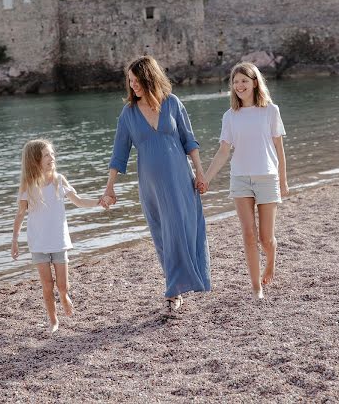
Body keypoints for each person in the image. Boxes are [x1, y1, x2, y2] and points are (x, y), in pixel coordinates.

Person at [103, 55, 211, 316]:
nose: (133, 85)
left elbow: (189, 141)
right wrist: (110, 187)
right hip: (151, 185)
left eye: (137, 80)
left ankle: (186, 282)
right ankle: (173, 291)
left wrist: (200, 173)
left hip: (180, 180)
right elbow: (119, 154)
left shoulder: (172, 103)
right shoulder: (128, 114)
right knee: (164, 236)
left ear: (149, 78)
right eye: (130, 81)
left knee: (185, 230)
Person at [201, 62, 288, 299]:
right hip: (240, 179)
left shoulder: (270, 110)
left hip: (267, 177)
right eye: (236, 82)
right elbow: (223, 151)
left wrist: (283, 181)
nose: (239, 86)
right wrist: (205, 179)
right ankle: (256, 287)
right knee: (248, 234)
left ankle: (271, 261)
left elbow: (279, 149)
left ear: (255, 82)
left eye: (244, 81)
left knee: (266, 238)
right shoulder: (230, 116)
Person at [11, 138, 112, 334]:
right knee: (48, 285)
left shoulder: (59, 180)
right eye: (47, 155)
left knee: (62, 285)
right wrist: (14, 240)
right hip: (38, 244)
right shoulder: (28, 186)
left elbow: (79, 201)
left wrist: (99, 202)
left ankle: (64, 296)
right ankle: (53, 320)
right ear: (35, 160)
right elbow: (20, 215)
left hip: (59, 241)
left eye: (52, 154)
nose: (52, 157)